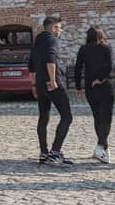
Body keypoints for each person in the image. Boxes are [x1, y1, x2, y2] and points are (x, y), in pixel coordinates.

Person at [29, 16, 74, 166]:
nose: (60, 30)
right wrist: (53, 80)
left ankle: (43, 153)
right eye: (59, 27)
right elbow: (51, 60)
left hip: (41, 86)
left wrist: (34, 85)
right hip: (52, 84)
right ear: (53, 27)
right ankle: (55, 153)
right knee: (67, 116)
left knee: (44, 117)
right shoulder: (52, 40)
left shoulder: (37, 42)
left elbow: (31, 66)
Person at [75, 26, 115, 164]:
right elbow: (109, 66)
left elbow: (78, 68)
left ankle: (102, 147)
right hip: (105, 86)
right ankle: (101, 146)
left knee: (97, 116)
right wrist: (101, 78)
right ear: (101, 35)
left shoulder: (83, 50)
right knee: (106, 117)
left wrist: (78, 87)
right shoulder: (106, 48)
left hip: (89, 87)